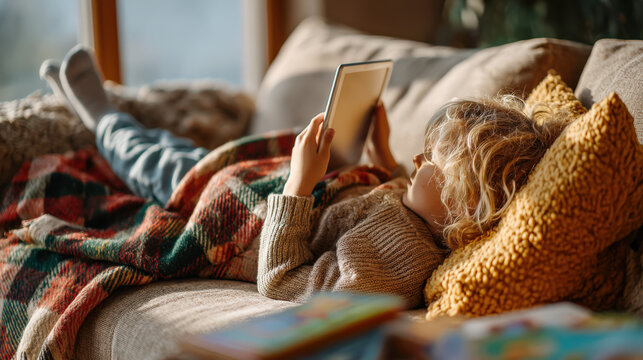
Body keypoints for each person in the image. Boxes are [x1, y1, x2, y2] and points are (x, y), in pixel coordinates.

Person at [40, 46, 567, 308]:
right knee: (178, 150)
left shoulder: (394, 262)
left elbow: (284, 281)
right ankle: (100, 115)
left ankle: (100, 115)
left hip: (240, 217)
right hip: (264, 185)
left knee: (152, 160)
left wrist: (297, 187)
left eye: (434, 161)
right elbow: (390, 201)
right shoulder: (422, 218)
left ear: (468, 205)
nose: (421, 160)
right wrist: (383, 159)